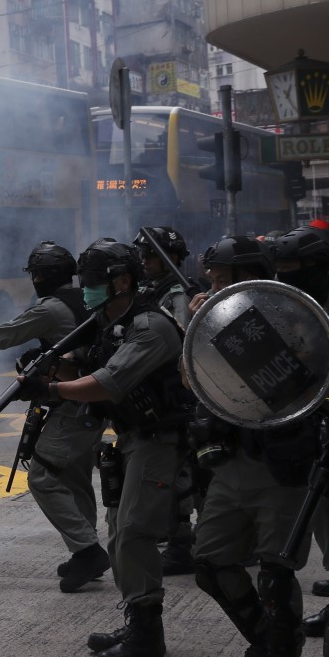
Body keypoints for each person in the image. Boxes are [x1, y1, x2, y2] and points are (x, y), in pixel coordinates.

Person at [20, 239, 187, 657]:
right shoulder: (110, 321)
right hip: (132, 437)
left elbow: (108, 381)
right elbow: (89, 362)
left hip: (161, 440)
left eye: (94, 283)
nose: (88, 290)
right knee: (118, 531)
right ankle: (139, 618)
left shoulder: (151, 326)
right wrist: (52, 365)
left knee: (133, 531)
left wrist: (51, 389)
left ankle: (147, 637)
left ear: (123, 282)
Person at [0, 241, 109, 593]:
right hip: (95, 402)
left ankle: (87, 550)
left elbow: (5, 334)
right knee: (75, 477)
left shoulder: (51, 309)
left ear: (40, 276)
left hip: (71, 402)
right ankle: (84, 551)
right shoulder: (88, 299)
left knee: (43, 476)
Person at [188, 235, 314, 657]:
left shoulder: (294, 316)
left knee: (276, 571)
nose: (216, 289)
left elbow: (292, 385)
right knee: (210, 562)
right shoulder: (215, 319)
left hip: (282, 464)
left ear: (248, 277)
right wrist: (200, 329)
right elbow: (196, 384)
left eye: (225, 281)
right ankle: (264, 641)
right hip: (232, 458)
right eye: (213, 282)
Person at [268, 228, 329, 651]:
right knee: (328, 510)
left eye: (293, 271)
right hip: (317, 418)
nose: (285, 279)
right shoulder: (277, 300)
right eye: (279, 271)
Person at [133, 226, 196, 577]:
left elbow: (183, 339)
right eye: (143, 255)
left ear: (172, 258)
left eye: (152, 254)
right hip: (150, 390)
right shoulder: (146, 289)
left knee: (181, 471)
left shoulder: (178, 292)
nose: (145, 261)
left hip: (178, 392)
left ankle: (182, 543)